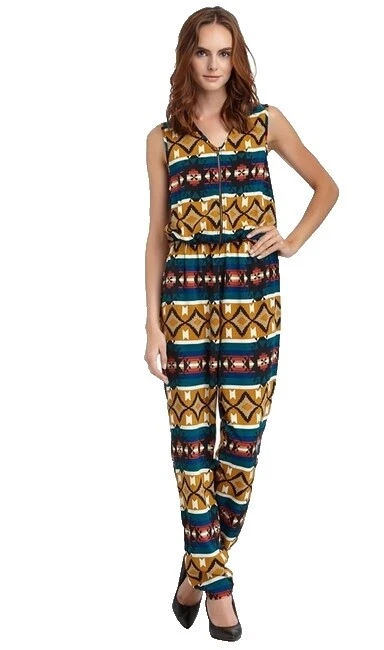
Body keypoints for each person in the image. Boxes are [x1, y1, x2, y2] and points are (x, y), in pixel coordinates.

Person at [144, 5, 339, 642]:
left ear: (237, 58)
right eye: (202, 52)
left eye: (223, 53)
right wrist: (151, 327)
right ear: (186, 57)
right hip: (185, 301)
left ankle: (196, 569)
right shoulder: (162, 139)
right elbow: (157, 235)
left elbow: (326, 187)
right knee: (191, 445)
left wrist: (292, 240)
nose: (213, 64)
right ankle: (220, 588)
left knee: (242, 446)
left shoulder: (264, 122)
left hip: (254, 300)